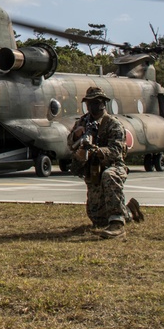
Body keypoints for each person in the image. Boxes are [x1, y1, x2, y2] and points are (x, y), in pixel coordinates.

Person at [68, 86, 144, 238]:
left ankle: (117, 224)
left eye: (96, 102)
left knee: (109, 176)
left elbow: (116, 151)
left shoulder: (113, 124)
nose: (92, 106)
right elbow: (70, 143)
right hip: (94, 170)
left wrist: (96, 150)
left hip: (113, 166)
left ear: (103, 103)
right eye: (89, 102)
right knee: (98, 219)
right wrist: (76, 137)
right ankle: (129, 211)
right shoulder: (83, 122)